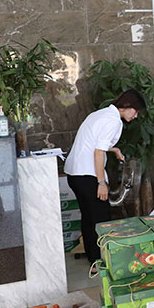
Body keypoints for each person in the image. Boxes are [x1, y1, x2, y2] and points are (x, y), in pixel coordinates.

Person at [64, 89, 146, 263]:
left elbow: (92, 141)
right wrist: (101, 182)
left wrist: (113, 149)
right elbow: (98, 152)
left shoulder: (100, 114)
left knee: (88, 218)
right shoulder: (113, 121)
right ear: (126, 105)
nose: (136, 116)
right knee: (101, 220)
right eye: (135, 111)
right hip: (88, 175)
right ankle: (101, 261)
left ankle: (94, 261)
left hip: (74, 174)